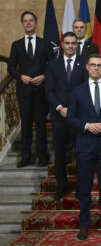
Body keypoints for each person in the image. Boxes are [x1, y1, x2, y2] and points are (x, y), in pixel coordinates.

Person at [67, 54, 101, 241]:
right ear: (87, 67)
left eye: (99, 65)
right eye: (93, 65)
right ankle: (84, 224)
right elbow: (71, 117)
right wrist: (87, 126)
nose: (97, 68)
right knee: (84, 187)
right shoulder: (77, 91)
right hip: (85, 145)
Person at [8, 11, 55, 167]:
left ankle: (43, 157)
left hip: (41, 90)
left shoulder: (45, 43)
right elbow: (11, 67)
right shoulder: (16, 45)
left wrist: (44, 76)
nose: (28, 23)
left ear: (35, 23)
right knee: (26, 125)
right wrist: (20, 76)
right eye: (25, 21)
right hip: (24, 91)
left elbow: (53, 66)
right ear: (22, 24)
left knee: (41, 125)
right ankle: (26, 157)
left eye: (31, 21)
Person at [45, 31, 88, 200]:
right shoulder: (52, 65)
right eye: (68, 43)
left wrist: (74, 109)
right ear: (62, 44)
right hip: (59, 116)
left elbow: (86, 88)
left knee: (81, 154)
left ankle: (80, 188)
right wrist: (59, 107)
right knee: (61, 153)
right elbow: (48, 90)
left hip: (78, 117)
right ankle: (61, 186)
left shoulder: (83, 63)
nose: (70, 46)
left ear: (77, 45)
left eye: (73, 43)